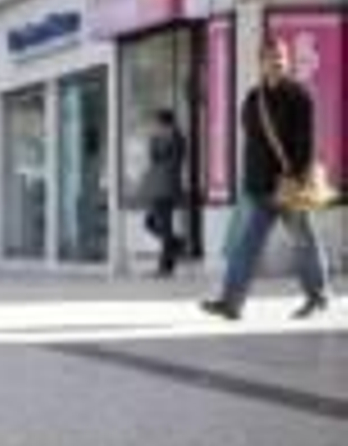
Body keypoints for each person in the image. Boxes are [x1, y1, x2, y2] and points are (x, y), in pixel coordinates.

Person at [202, 36, 332, 320]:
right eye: (272, 57)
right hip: (258, 189)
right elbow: (251, 142)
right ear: (261, 62)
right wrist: (249, 182)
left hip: (288, 186)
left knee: (304, 242)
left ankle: (318, 296)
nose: (278, 62)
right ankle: (231, 303)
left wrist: (295, 177)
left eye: (282, 57)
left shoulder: (299, 95)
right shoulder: (252, 98)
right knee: (245, 247)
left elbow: (306, 143)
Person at [142, 109, 186, 277]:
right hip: (158, 186)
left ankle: (165, 266)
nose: (155, 126)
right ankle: (175, 244)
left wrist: (158, 140)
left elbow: (165, 159)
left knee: (164, 226)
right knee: (150, 222)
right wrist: (154, 139)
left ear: (165, 123)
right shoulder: (158, 138)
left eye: (157, 123)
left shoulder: (176, 139)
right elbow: (153, 157)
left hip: (167, 187)